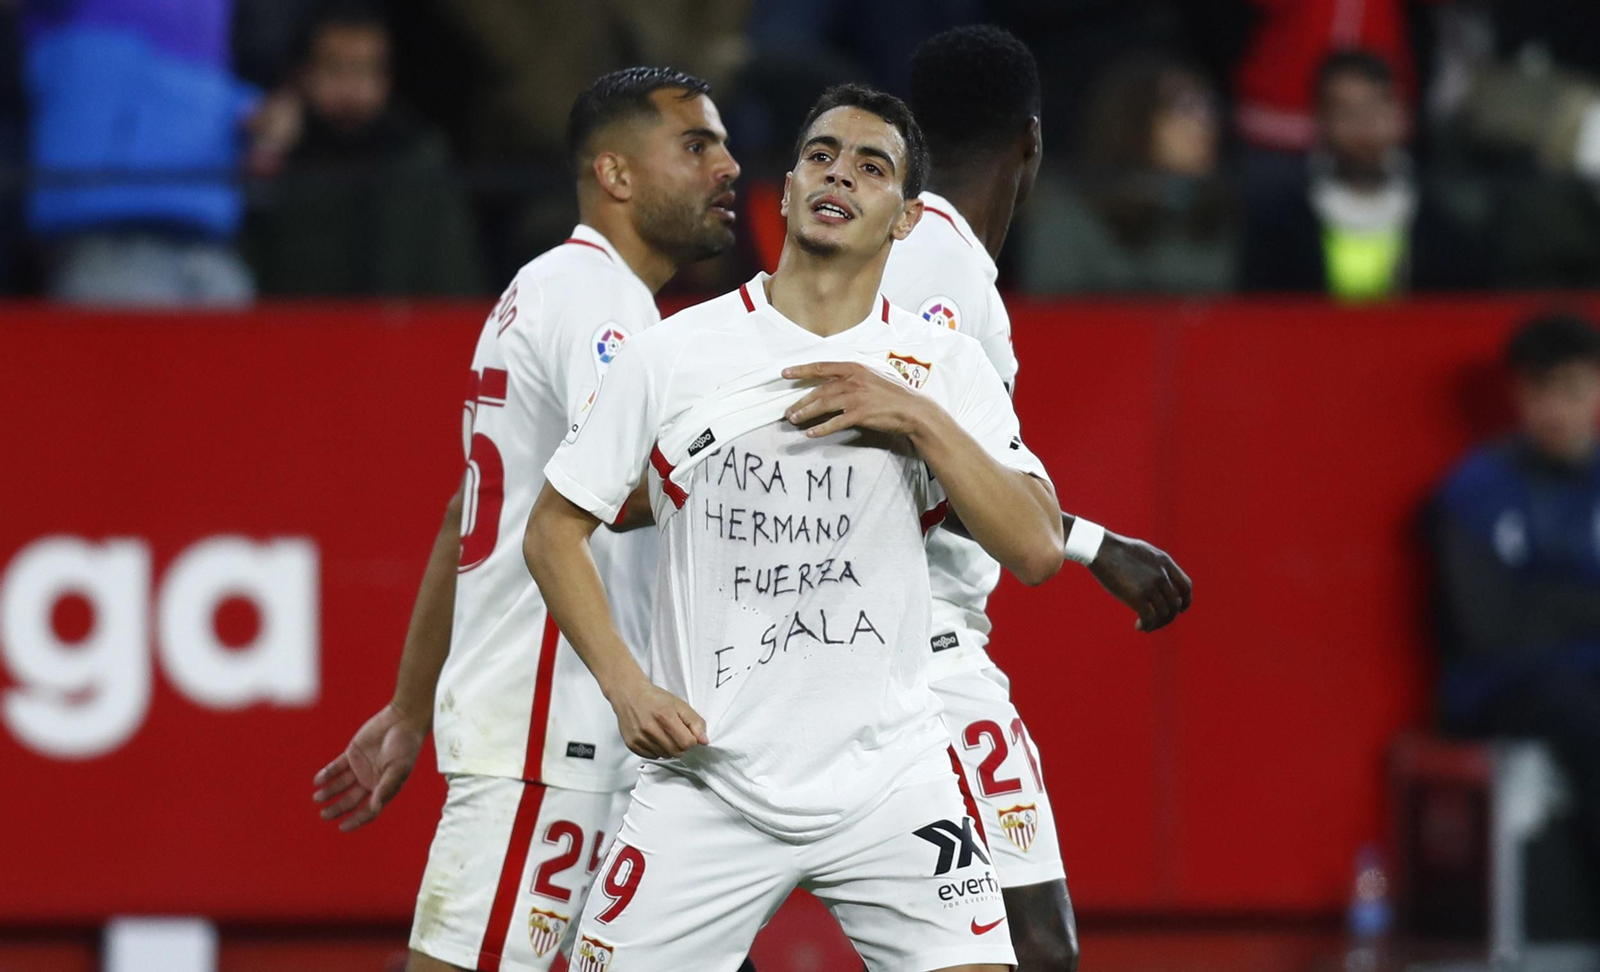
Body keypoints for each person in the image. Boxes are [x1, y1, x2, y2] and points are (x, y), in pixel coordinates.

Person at [525, 83, 1062, 972]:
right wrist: (626, 687)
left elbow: (1036, 546)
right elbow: (554, 529)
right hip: (709, 784)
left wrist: (914, 415)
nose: (838, 173)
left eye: (870, 165)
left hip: (892, 781)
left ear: (904, 219)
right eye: (820, 154)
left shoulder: (942, 365)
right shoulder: (676, 353)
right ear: (786, 190)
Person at [311, 67, 740, 972]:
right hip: (561, 736)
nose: (729, 166)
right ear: (616, 175)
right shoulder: (599, 305)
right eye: (697, 146)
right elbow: (619, 492)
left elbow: (463, 512)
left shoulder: (543, 288)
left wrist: (409, 705)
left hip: (578, 741)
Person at [883, 26, 1194, 971]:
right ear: (1032, 140)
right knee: (1036, 944)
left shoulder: (917, 249)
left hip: (864, 644)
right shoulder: (936, 261)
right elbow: (911, 451)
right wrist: (1097, 547)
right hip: (920, 652)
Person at [1433, 311, 1600, 873]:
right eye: (1542, 391)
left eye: (1573, 390)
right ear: (1518, 394)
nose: (1557, 410)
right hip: (1506, 687)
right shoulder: (1476, 490)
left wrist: (1547, 598)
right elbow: (1488, 626)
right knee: (1582, 718)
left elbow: (1527, 608)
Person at [244, 2, 484, 296]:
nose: (353, 90)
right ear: (302, 73)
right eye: (335, 69)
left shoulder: (418, 158)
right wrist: (266, 159)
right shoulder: (274, 155)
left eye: (367, 70)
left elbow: (454, 281)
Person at [1241, 49, 1485, 300]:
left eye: (1377, 108)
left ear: (1404, 117)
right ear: (1321, 122)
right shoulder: (1276, 232)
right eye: (1347, 112)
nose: (1365, 127)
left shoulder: (1448, 233)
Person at [1020, 51, 1235, 295]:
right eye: (1184, 107)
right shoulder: (1066, 214)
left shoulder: (1216, 213)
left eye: (1208, 106)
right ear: (1134, 121)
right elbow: (1053, 319)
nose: (1205, 123)